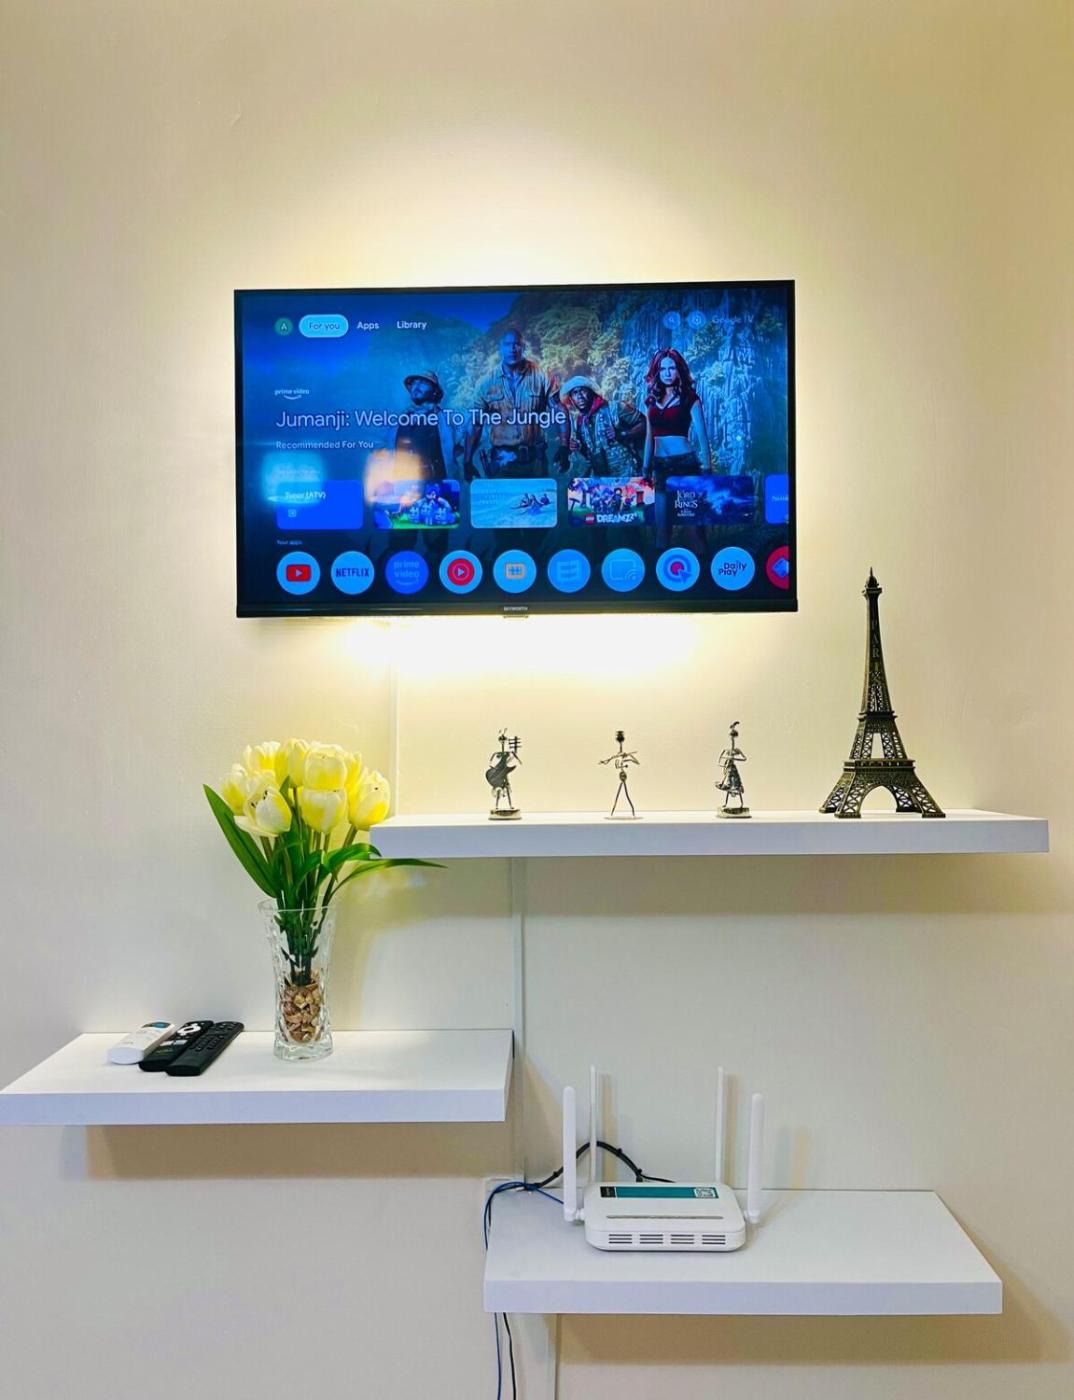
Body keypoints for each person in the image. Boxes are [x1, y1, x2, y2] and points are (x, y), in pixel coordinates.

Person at [464, 329, 569, 479]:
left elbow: (559, 409)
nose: (512, 349)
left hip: (535, 460)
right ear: (500, 347)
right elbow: (475, 424)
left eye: (517, 344)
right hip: (501, 463)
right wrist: (467, 461)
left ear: (523, 347)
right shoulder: (486, 382)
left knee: (540, 495)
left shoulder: (541, 375)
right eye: (507, 344)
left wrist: (564, 446)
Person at [641, 348, 713, 545]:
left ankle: (703, 563)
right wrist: (645, 468)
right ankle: (660, 564)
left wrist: (707, 468)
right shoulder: (651, 400)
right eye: (663, 369)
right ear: (657, 371)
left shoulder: (690, 398)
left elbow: (702, 436)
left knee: (693, 528)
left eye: (671, 368)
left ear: (679, 370)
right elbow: (649, 437)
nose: (667, 373)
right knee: (662, 529)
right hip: (660, 466)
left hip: (685, 464)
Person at [560, 375, 637, 476]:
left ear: (591, 392)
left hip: (627, 474)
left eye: (583, 391)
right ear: (571, 399)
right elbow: (587, 453)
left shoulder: (614, 408)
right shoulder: (578, 422)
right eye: (575, 393)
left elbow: (645, 425)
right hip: (601, 478)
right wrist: (577, 447)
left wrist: (622, 434)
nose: (579, 396)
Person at [395, 369, 458, 483]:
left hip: (435, 485)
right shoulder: (400, 419)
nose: (417, 386)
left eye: (423, 382)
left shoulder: (445, 419)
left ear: (434, 391)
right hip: (404, 485)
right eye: (414, 383)